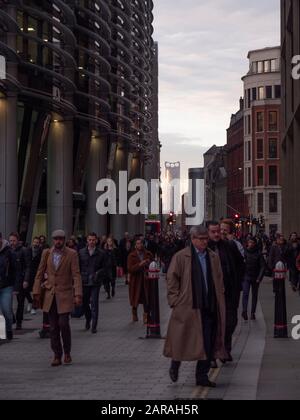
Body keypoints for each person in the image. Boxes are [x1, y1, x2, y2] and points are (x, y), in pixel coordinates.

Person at [164, 226, 227, 388]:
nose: (205, 241)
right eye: (201, 238)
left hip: (209, 306)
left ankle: (202, 376)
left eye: (206, 238)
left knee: (207, 342)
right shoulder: (181, 256)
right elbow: (172, 279)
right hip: (188, 306)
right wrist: (174, 300)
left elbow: (218, 279)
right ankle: (175, 364)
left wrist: (220, 297)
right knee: (181, 339)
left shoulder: (212, 257)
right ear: (193, 239)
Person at [33, 230, 82, 367]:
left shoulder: (72, 254)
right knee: (53, 327)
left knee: (64, 324)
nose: (58, 241)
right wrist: (36, 291)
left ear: (64, 239)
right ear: (52, 240)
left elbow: (76, 275)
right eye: (55, 239)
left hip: (65, 294)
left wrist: (78, 294)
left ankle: (67, 352)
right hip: (50, 294)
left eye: (60, 239)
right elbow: (39, 273)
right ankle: (56, 355)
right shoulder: (46, 253)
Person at [207, 221, 245, 362]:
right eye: (216, 231)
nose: (219, 233)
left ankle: (225, 347)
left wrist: (237, 282)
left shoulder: (230, 246)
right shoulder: (206, 247)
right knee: (213, 325)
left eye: (223, 230)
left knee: (231, 322)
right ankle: (213, 354)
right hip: (212, 294)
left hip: (229, 292)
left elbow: (241, 264)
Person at [79, 233, 107, 334]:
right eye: (90, 240)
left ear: (96, 241)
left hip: (95, 281)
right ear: (87, 240)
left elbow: (104, 268)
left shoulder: (101, 253)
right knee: (85, 303)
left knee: (94, 303)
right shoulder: (81, 252)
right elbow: (78, 267)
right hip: (85, 281)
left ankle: (94, 325)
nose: (91, 242)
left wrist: (98, 273)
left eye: (93, 240)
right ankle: (88, 318)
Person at [127, 239, 153, 323]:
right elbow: (130, 268)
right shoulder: (131, 255)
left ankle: (146, 315)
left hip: (145, 280)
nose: (140, 245)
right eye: (138, 243)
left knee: (146, 298)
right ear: (135, 245)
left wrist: (148, 263)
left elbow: (153, 265)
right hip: (136, 281)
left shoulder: (148, 254)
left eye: (141, 243)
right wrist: (139, 265)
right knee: (135, 298)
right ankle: (134, 312)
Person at [9, 232, 30, 331]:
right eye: (10, 241)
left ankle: (19, 322)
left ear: (18, 240)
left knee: (20, 302)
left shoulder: (23, 251)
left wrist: (26, 280)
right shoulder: (7, 250)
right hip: (9, 280)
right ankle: (12, 318)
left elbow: (27, 267)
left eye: (14, 240)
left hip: (20, 279)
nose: (12, 243)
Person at [242, 238, 266, 321]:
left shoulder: (259, 253)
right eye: (249, 242)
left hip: (255, 277)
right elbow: (240, 264)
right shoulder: (244, 252)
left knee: (254, 295)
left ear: (255, 244)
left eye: (252, 242)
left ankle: (253, 313)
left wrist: (259, 278)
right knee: (245, 293)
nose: (250, 244)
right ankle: (244, 311)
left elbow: (263, 266)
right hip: (246, 276)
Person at [0, 233, 16, 341]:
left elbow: (15, 269)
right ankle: (1, 334)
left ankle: (9, 329)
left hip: (6, 286)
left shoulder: (9, 251)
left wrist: (16, 286)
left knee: (6, 311)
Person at [25, 237, 43, 316]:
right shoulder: (27, 250)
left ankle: (33, 307)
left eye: (37, 242)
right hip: (28, 273)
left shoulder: (41, 252)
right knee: (25, 289)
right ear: (32, 242)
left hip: (37, 273)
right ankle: (30, 301)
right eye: (34, 242)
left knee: (35, 292)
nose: (35, 244)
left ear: (39, 244)